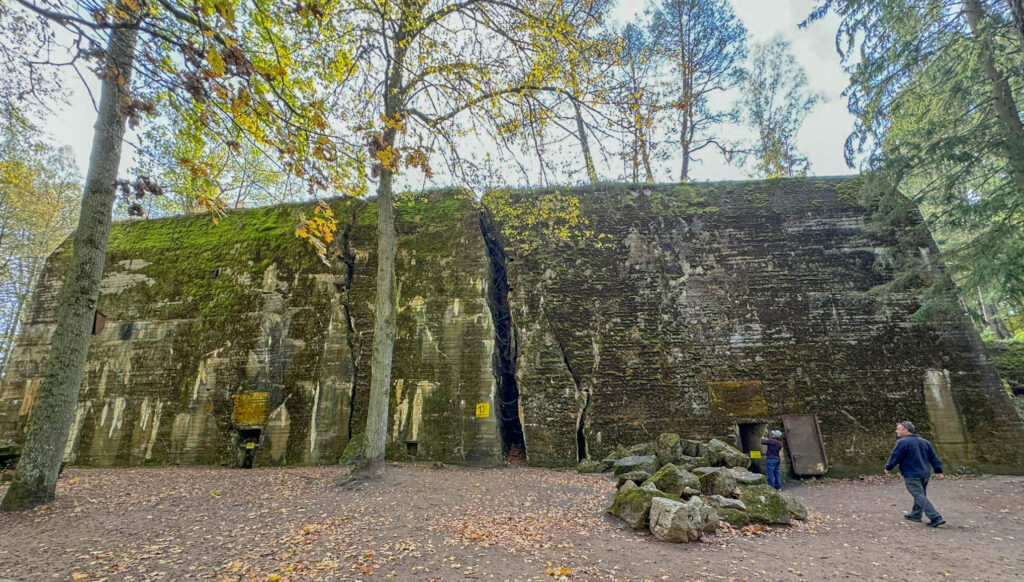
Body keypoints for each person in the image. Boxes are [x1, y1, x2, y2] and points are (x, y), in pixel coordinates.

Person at [884, 420, 945, 527]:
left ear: (905, 430)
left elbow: (895, 456)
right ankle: (916, 514)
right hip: (925, 473)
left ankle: (935, 517)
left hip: (911, 473)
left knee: (918, 494)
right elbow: (934, 457)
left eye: (898, 429)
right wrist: (938, 471)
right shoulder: (925, 441)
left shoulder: (902, 442)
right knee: (921, 494)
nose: (896, 431)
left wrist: (888, 467)